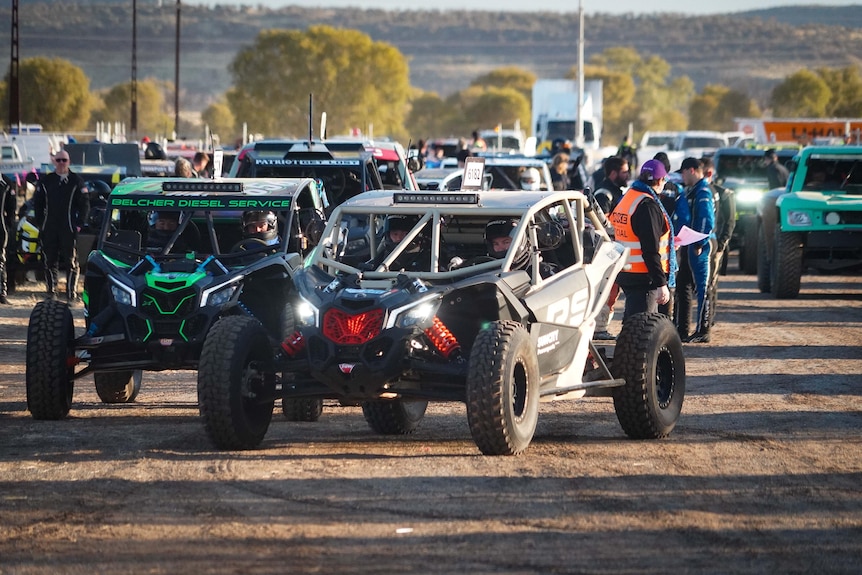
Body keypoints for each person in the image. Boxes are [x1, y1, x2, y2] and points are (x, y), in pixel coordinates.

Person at [609, 159, 674, 320]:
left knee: (633, 320)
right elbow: (650, 249)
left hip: (626, 270)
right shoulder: (647, 205)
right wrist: (661, 283)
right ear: (659, 180)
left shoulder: (628, 198)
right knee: (642, 326)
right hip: (644, 275)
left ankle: (627, 343)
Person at [33, 150, 90, 301]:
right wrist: (41, 222)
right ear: (54, 162)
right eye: (58, 160)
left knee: (70, 260)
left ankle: (71, 293)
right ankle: (51, 291)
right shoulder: (47, 181)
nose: (61, 163)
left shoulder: (76, 181)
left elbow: (84, 204)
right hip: (50, 226)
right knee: (49, 260)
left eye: (64, 160)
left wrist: (79, 224)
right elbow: (37, 203)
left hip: (69, 226)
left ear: (69, 161)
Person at [674, 157, 716, 343]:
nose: (682, 177)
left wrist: (700, 243)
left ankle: (703, 330)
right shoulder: (693, 191)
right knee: (686, 284)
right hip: (691, 244)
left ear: (691, 170)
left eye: (683, 173)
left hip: (700, 246)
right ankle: (686, 329)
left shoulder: (703, 191)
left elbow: (707, 221)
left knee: (702, 288)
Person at [591, 155, 629, 340]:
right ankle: (599, 329)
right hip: (608, 250)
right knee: (608, 290)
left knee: (614, 292)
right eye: (624, 171)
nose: (627, 174)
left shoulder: (617, 192)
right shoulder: (604, 194)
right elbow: (600, 222)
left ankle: (602, 327)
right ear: (613, 173)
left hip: (616, 248)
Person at [701, 156, 736, 327]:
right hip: (701, 244)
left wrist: (722, 244)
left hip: (716, 245)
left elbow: (729, 221)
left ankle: (709, 317)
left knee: (711, 283)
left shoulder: (724, 194)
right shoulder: (696, 191)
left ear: (708, 173)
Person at [0, 175, 16, 304]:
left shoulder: (6, 182)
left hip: (1, 226)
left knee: (1, 259)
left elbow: (11, 207)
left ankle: (1, 293)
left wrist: (8, 224)